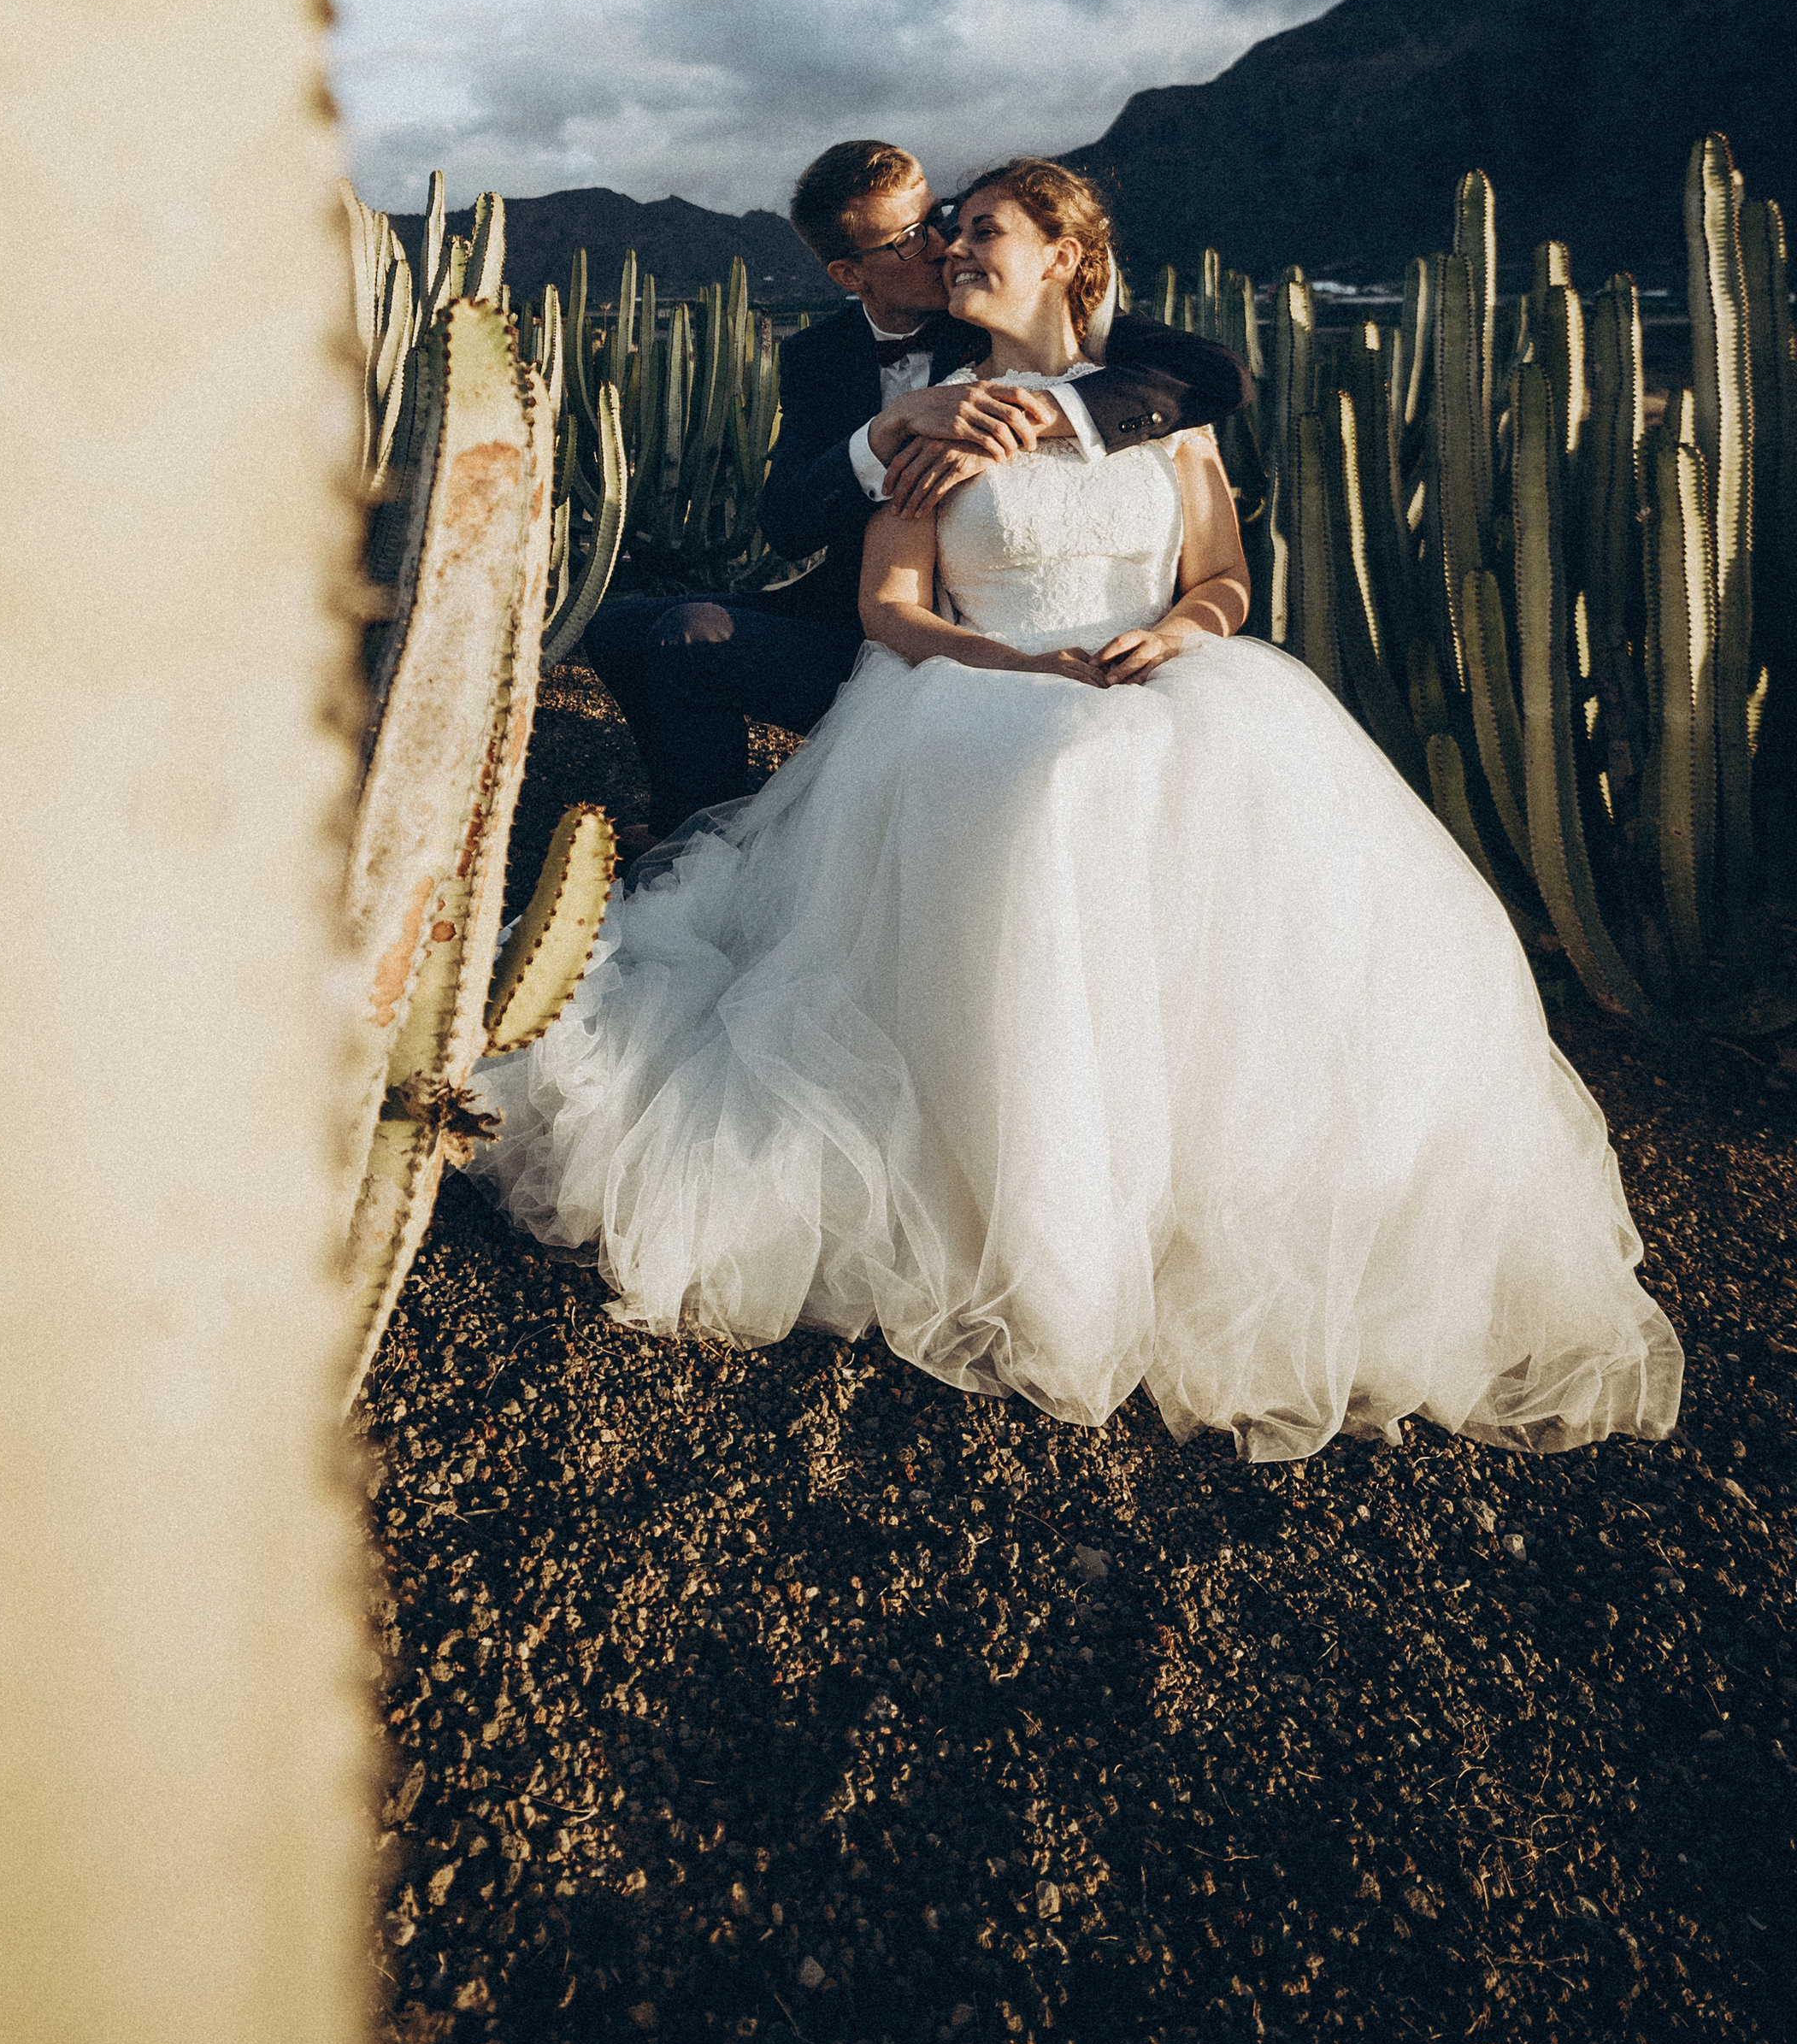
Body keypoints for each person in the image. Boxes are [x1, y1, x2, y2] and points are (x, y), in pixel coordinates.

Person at [475, 158, 1682, 1461]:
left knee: (1233, 811)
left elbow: (1221, 569)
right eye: (939, 236)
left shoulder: (1153, 395)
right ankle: (1044, 1197)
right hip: (982, 680)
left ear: (1066, 256)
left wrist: (1174, 626)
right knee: (1059, 785)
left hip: (1161, 673)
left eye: (979, 229)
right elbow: (890, 607)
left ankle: (1233, 1182)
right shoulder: (933, 403)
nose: (949, 249)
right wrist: (1008, 632)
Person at [584, 138, 1250, 854]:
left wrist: (1040, 413)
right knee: (625, 629)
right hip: (871, 609)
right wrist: (886, 430)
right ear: (849, 273)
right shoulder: (822, 355)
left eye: (943, 218)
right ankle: (704, 835)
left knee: (684, 636)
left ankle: (718, 839)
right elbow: (787, 524)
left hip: (1014, 618)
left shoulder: (1026, 310)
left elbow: (1216, 377)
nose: (943, 245)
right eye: (911, 240)